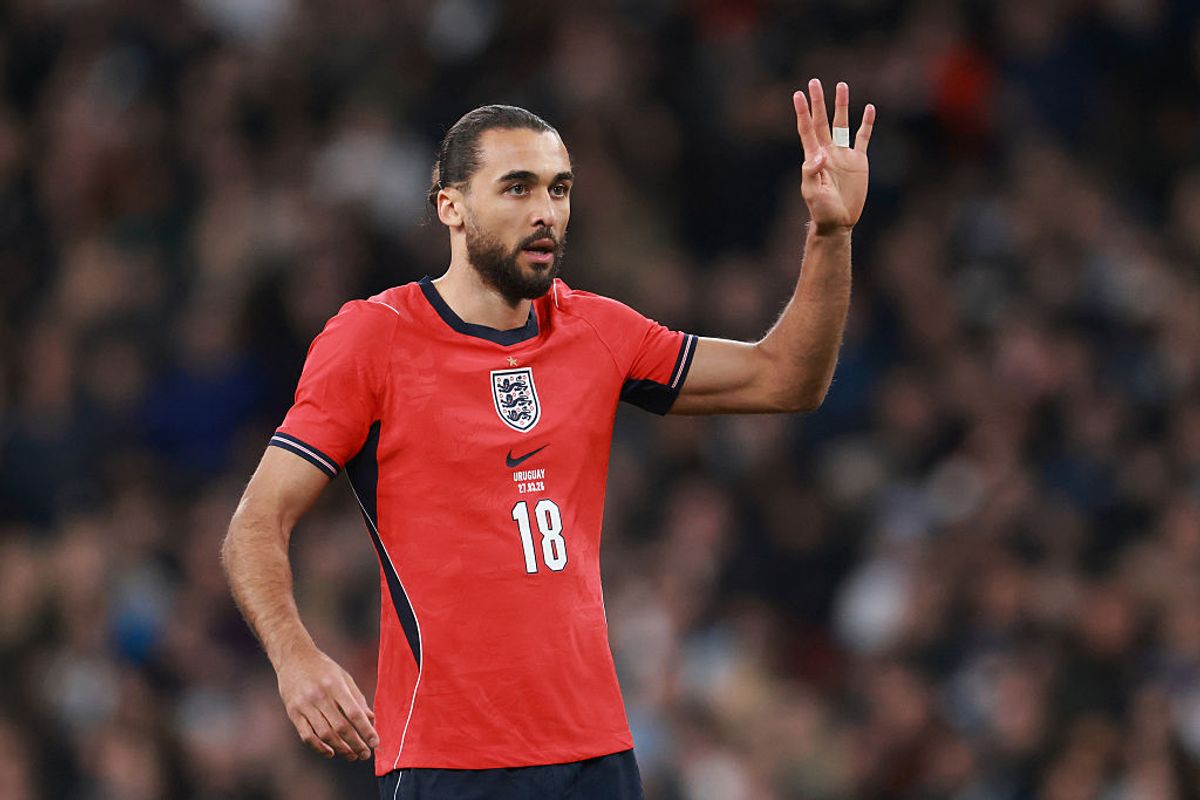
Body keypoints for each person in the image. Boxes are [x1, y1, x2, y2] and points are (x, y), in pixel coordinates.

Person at [222, 79, 874, 800]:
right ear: (452, 207)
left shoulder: (595, 330)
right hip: (451, 761)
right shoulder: (374, 338)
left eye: (559, 191)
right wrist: (295, 658)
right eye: (518, 188)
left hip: (595, 754)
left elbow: (787, 380)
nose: (545, 213)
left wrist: (831, 235)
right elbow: (255, 524)